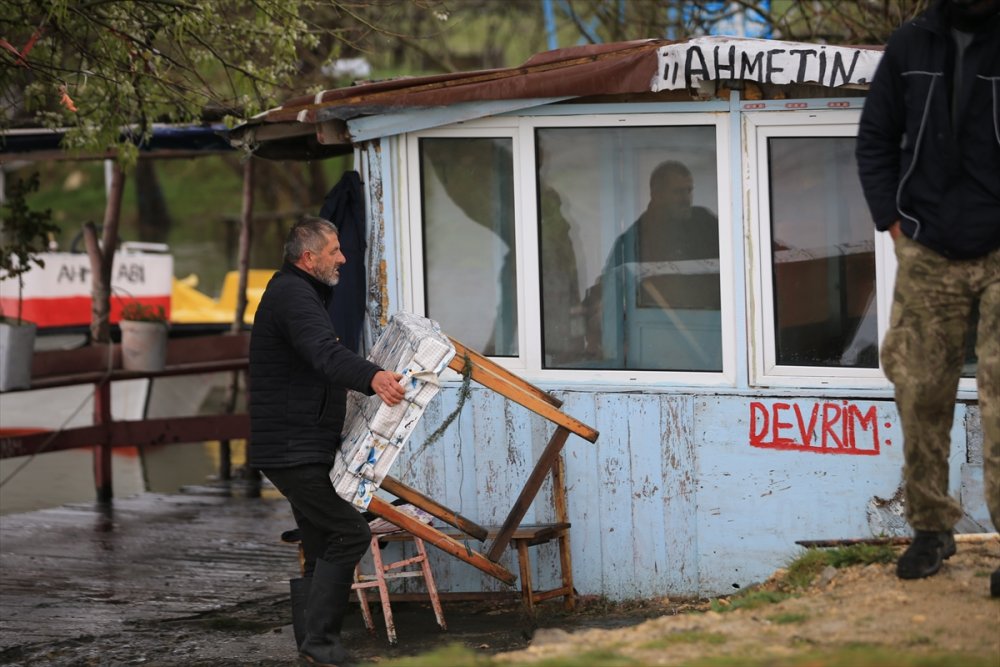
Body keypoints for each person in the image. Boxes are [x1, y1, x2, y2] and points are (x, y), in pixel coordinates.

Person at [855, 0, 1000, 594]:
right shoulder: (910, 43)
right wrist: (893, 221)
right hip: (928, 248)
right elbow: (875, 139)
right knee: (918, 388)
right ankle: (931, 527)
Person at [248, 216, 406, 665]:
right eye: (335, 250)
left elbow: (320, 354)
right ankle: (321, 643)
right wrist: (372, 376)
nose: (344, 257)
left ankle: (312, 647)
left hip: (298, 444)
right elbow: (324, 354)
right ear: (308, 256)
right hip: (291, 448)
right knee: (349, 533)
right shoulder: (294, 295)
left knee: (320, 543)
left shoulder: (299, 292)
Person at [580, 160, 720, 365]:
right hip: (658, 342)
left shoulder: (705, 223)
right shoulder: (633, 240)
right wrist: (595, 330)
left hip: (715, 336)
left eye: (689, 191)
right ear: (657, 194)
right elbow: (609, 287)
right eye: (678, 192)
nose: (686, 198)